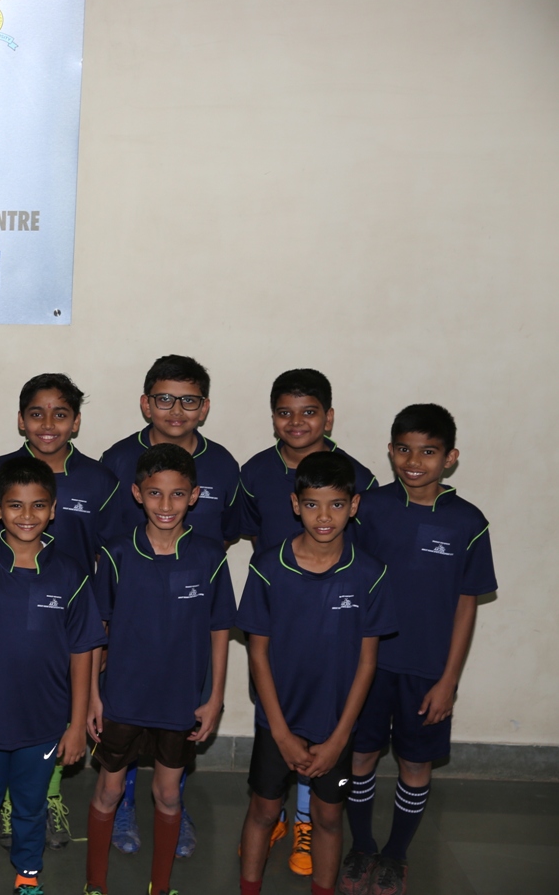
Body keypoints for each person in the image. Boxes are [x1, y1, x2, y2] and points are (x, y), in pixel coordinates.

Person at [341, 404, 496, 895]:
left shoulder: (468, 522)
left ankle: (395, 853)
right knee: (360, 756)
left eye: (428, 452)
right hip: (367, 666)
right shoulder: (368, 508)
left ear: (449, 458)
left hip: (427, 671)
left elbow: (467, 605)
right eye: (405, 450)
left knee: (415, 763)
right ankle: (361, 845)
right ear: (390, 451)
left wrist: (449, 680)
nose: (414, 461)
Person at [0, 457, 104, 895]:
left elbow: (83, 652)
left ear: (53, 509)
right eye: (15, 505)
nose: (26, 515)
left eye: (38, 505)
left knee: (31, 806)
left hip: (43, 722)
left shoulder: (71, 573)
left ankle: (28, 875)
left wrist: (75, 725)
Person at [99, 355, 242, 857]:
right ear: (146, 404)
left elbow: (227, 533)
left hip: (187, 624)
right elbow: (108, 541)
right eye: (164, 398)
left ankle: (172, 808)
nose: (175, 410)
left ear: (204, 407)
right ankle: (122, 806)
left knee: (177, 728)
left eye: (188, 400)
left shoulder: (223, 464)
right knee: (124, 727)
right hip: (134, 624)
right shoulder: (118, 459)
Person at [238, 369, 377, 875]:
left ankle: (303, 825)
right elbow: (248, 536)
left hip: (335, 646)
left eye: (310, 412)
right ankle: (278, 819)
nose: (297, 422)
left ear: (328, 417)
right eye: (285, 412)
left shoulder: (360, 477)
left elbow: (368, 557)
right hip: (281, 633)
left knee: (324, 806)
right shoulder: (255, 473)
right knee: (268, 783)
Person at [0, 373, 116, 847]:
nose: (48, 424)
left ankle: (46, 798)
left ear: (76, 422)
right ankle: (8, 805)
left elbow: (109, 558)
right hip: (6, 617)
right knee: (9, 710)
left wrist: (102, 621)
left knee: (56, 710)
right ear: (20, 420)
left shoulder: (99, 480)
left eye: (60, 414)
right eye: (36, 413)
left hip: (68, 618)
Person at [84, 444, 235, 895]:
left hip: (179, 700)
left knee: (169, 794)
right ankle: (95, 885)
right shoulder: (116, 553)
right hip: (122, 697)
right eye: (154, 493)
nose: (165, 504)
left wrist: (215, 698)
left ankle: (161, 885)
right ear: (137, 494)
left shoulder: (209, 556)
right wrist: (93, 695)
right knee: (109, 792)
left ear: (194, 496)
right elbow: (97, 631)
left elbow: (220, 629)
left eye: (177, 494)